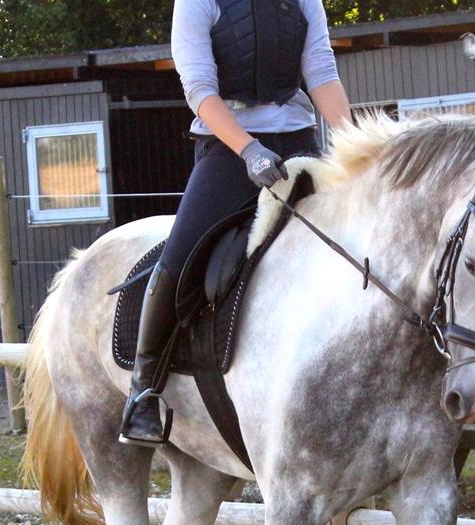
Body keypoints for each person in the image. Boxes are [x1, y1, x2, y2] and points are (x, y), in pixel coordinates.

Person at [119, 0, 353, 445]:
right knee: (182, 253)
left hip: (298, 140)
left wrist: (358, 147)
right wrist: (248, 149)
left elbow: (321, 72)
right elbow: (200, 89)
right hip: (227, 147)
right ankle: (144, 390)